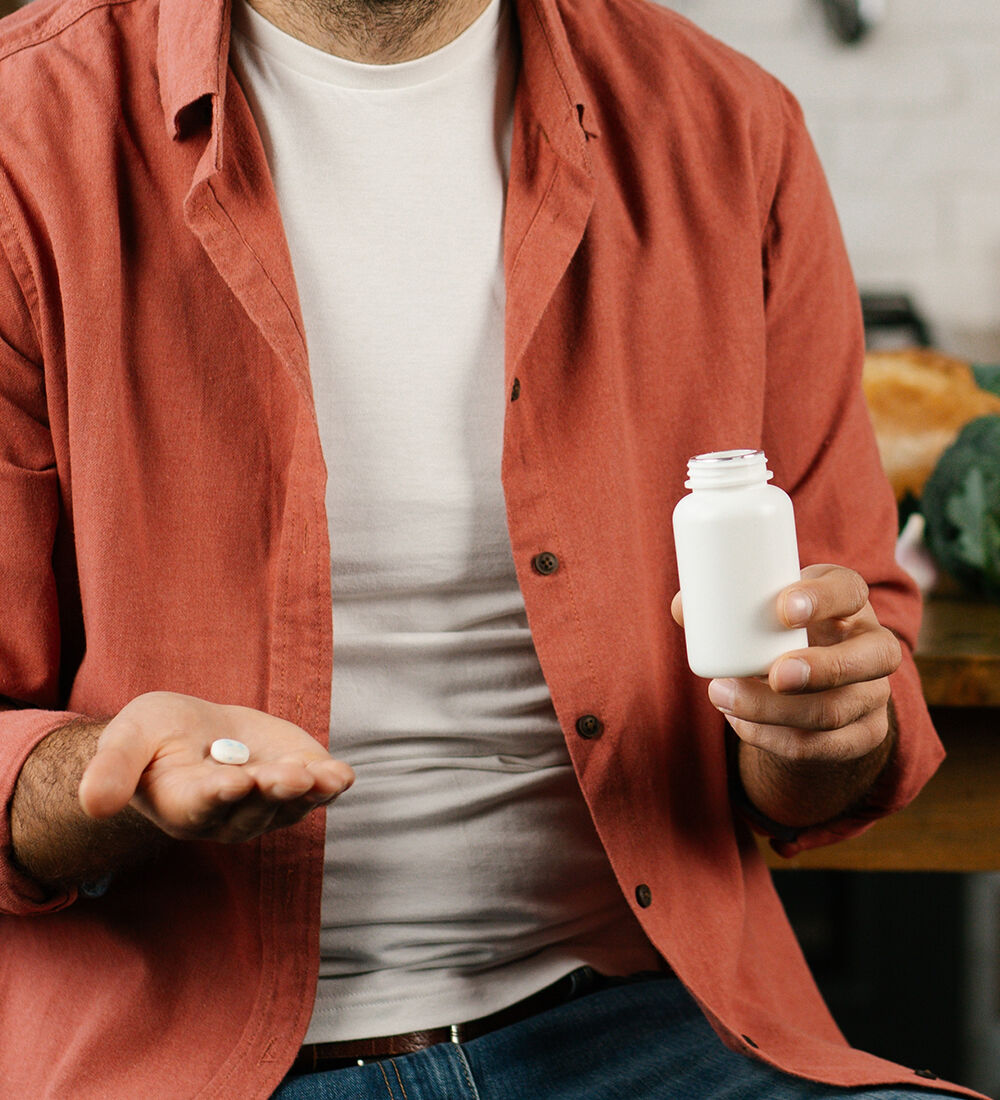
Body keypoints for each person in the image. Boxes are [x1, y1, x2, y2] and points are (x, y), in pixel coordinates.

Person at [0, 0, 984, 1096]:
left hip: (656, 1023)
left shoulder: (732, 129)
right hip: (187, 1058)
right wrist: (106, 777)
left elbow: (844, 690)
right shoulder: (23, 138)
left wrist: (818, 729)